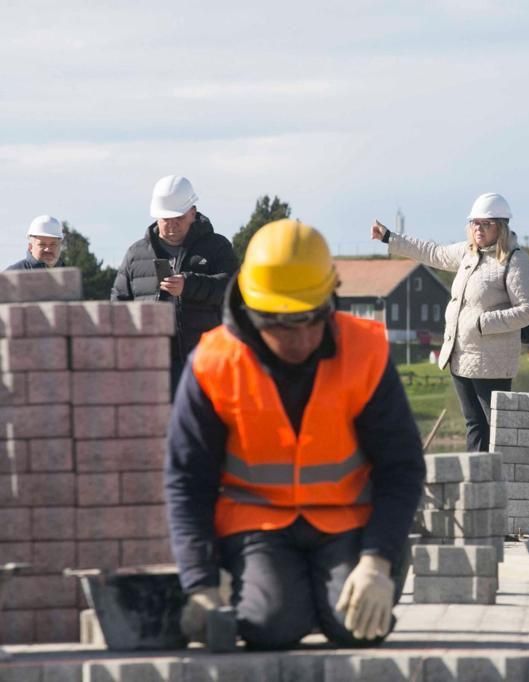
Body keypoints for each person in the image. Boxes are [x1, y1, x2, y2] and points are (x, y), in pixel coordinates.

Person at [165, 219, 425, 650]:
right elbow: (186, 480)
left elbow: (401, 467)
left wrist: (379, 560)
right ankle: (285, 598)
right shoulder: (213, 363)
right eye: (281, 323)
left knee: (357, 627)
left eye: (311, 318)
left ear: (329, 299)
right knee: (270, 627)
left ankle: (361, 580)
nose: (300, 337)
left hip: (346, 519)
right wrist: (200, 585)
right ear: (251, 310)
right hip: (257, 523)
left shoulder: (364, 352)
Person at [371, 193, 529, 452]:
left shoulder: (515, 260)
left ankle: (501, 484)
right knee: (473, 425)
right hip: (459, 357)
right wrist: (389, 238)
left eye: (486, 224)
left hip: (492, 362)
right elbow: (433, 253)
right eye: (474, 223)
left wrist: (484, 323)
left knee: (495, 427)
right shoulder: (467, 253)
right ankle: (476, 483)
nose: (478, 229)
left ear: (501, 226)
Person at [112, 175, 237, 394]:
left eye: (178, 218)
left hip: (208, 360)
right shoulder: (136, 254)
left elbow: (233, 290)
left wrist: (189, 285)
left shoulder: (217, 247)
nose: (171, 225)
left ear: (192, 213)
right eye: (165, 219)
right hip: (152, 364)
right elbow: (119, 304)